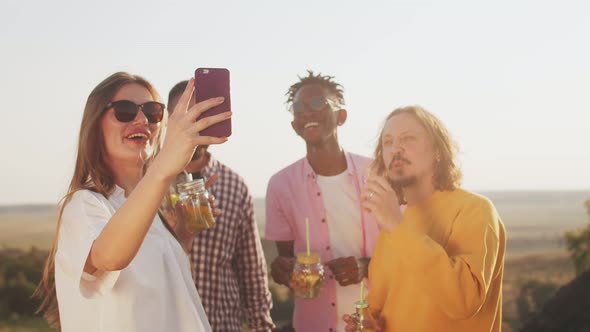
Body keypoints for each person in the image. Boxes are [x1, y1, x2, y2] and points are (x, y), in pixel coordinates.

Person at [34, 72, 231, 332]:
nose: (142, 120)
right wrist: (163, 168)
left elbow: (159, 288)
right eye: (125, 111)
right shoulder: (85, 204)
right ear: (95, 125)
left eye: (153, 112)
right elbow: (108, 258)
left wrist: (183, 233)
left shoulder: (152, 212)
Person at [344, 105, 506, 331]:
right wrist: (367, 320)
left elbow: (463, 301)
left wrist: (396, 226)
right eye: (387, 142)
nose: (395, 149)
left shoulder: (475, 209)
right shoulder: (394, 223)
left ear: (438, 151)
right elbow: (382, 307)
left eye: (408, 138)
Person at [265, 70, 380, 332]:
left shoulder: (377, 175)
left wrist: (366, 266)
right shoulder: (280, 185)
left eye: (318, 103)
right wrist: (283, 270)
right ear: (294, 125)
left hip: (377, 321)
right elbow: (287, 262)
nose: (307, 112)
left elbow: (404, 251)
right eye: (299, 108)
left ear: (342, 116)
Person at [165, 81, 274, 332]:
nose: (198, 123)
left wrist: (262, 327)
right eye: (189, 114)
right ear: (169, 119)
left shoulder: (234, 186)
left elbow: (252, 275)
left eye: (205, 115)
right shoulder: (141, 182)